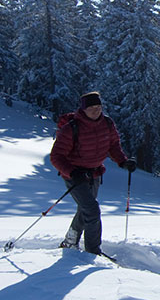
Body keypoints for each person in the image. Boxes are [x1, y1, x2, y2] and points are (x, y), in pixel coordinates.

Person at [49, 91, 136, 255]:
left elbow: (113, 145)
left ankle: (69, 241)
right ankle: (93, 251)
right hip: (75, 176)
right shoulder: (71, 128)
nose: (96, 110)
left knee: (85, 210)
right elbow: (56, 156)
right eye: (92, 108)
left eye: (99, 107)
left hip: (94, 174)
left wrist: (123, 161)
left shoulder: (107, 123)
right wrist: (72, 172)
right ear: (83, 110)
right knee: (92, 210)